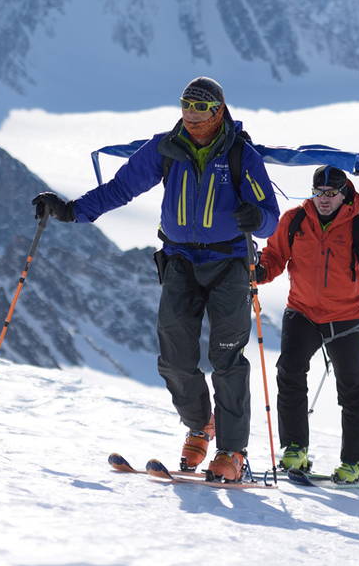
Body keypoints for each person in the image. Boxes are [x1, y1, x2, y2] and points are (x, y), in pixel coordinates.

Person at [31, 76, 279, 482]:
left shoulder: (240, 155)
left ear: (219, 111)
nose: (191, 114)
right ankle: (201, 425)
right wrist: (71, 210)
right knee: (174, 359)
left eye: (201, 107)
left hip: (229, 264)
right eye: (186, 104)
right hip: (179, 260)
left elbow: (270, 216)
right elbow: (121, 188)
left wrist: (258, 219)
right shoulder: (166, 148)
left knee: (227, 360)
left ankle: (232, 452)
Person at [255, 166, 359, 483]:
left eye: (330, 193)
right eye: (318, 192)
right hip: (302, 310)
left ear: (343, 193)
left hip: (346, 315)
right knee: (289, 373)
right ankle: (295, 449)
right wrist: (261, 271)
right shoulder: (294, 220)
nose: (323, 199)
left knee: (351, 389)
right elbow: (275, 255)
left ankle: (352, 462)